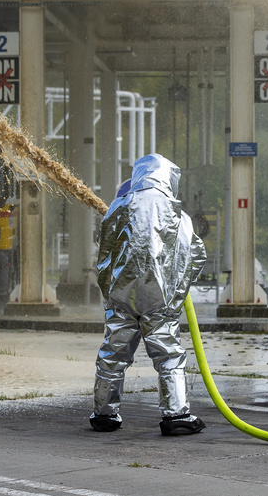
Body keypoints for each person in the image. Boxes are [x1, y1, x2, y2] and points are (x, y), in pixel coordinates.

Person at [90, 153, 207, 435]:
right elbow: (195, 257)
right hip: (159, 300)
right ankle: (175, 414)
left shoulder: (119, 206)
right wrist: (175, 296)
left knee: (112, 355)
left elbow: (103, 252)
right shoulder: (177, 213)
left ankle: (104, 413)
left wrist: (111, 293)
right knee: (169, 357)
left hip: (121, 297)